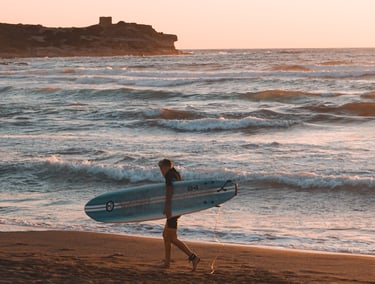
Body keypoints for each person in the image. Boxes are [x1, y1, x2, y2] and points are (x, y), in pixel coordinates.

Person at [158, 159, 200, 271]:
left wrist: (167, 206)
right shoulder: (176, 174)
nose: (161, 171)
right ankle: (167, 262)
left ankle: (193, 257)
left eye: (161, 168)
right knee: (166, 235)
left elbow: (170, 189)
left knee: (172, 238)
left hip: (173, 209)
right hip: (176, 208)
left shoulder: (169, 175)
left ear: (166, 167)